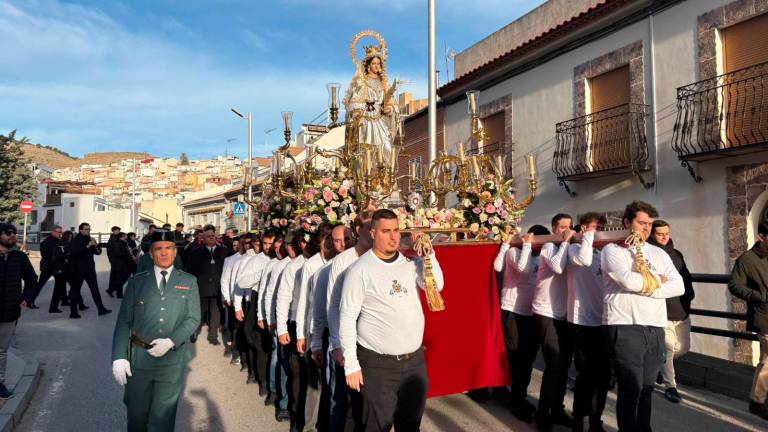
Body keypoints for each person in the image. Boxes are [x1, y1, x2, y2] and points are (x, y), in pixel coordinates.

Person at [339, 209, 443, 431]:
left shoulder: (409, 263)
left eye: (396, 230)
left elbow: (437, 286)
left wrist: (428, 254)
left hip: (414, 361)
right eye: (386, 231)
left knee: (410, 425)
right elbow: (346, 317)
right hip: (378, 365)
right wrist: (351, 364)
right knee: (377, 426)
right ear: (373, 232)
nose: (394, 236)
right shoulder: (359, 270)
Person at [601, 201, 683, 432]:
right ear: (628, 222)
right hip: (625, 324)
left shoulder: (659, 253)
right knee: (630, 387)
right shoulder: (613, 250)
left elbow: (679, 287)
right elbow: (627, 280)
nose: (646, 228)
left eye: (649, 224)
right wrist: (658, 281)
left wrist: (647, 283)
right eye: (641, 223)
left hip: (655, 325)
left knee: (647, 387)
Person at [111, 230, 201, 432]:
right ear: (150, 254)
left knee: (163, 418)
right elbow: (124, 321)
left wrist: (172, 341)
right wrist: (118, 357)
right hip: (139, 359)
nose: (164, 253)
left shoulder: (188, 281)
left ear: (175, 252)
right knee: (136, 415)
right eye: (158, 249)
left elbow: (193, 318)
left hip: (171, 361)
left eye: (168, 248)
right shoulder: (137, 282)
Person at [494, 224, 549, 423]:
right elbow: (523, 271)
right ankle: (510, 397)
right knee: (515, 357)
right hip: (513, 310)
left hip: (532, 312)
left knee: (527, 359)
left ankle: (519, 396)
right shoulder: (514, 253)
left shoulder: (540, 256)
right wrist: (526, 245)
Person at [327, 213, 373, 432]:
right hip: (349, 342)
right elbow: (333, 306)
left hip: (373, 343)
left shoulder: (382, 256)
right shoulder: (342, 262)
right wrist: (337, 345)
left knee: (370, 404)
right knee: (346, 402)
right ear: (358, 230)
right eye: (368, 227)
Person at [565, 212, 610, 432]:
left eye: (600, 227)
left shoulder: (603, 253)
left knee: (603, 376)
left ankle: (595, 420)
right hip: (581, 321)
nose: (598, 230)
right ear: (583, 228)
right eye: (594, 227)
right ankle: (578, 418)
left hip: (603, 321)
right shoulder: (573, 250)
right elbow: (584, 259)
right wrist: (587, 237)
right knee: (585, 375)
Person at [532, 213, 575, 428]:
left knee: (564, 364)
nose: (567, 229)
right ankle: (542, 415)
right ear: (554, 229)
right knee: (554, 364)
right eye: (563, 227)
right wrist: (566, 242)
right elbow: (558, 267)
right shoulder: (549, 247)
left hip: (562, 313)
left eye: (570, 226)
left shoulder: (567, 247)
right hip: (545, 311)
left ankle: (557, 409)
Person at [648, 220, 695, 404]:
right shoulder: (648, 254)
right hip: (662, 311)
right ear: (653, 234)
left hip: (681, 310)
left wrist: (689, 296)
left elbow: (686, 278)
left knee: (682, 348)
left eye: (667, 233)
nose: (664, 236)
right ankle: (670, 386)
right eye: (660, 234)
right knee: (667, 349)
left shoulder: (676, 254)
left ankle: (659, 366)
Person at [729, 221, 768, 420]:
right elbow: (734, 286)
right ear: (761, 236)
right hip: (764, 317)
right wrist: (759, 295)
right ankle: (757, 401)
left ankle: (758, 399)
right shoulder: (747, 260)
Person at [276, 230, 310, 431]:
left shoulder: (322, 263)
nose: (306, 244)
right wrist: (281, 328)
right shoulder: (293, 267)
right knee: (297, 374)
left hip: (314, 326)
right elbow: (283, 297)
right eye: (303, 241)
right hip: (294, 323)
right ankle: (296, 418)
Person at [0, 223, 38, 399]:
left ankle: (0, 383)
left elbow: (32, 278)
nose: (12, 236)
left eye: (14, 233)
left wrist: (27, 298)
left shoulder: (19, 257)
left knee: (1, 350)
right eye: (8, 233)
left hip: (9, 311)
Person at [343, 43, 398, 153]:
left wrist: (389, 109)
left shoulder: (384, 84)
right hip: (365, 122)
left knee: (386, 149)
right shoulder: (361, 82)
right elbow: (354, 101)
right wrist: (358, 112)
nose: (377, 66)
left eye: (378, 63)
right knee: (365, 151)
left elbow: (392, 103)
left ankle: (384, 170)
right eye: (374, 63)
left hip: (380, 122)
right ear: (368, 66)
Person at [184, 226, 227, 345]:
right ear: (203, 239)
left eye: (213, 235)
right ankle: (194, 331)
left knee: (216, 312)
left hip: (217, 287)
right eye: (209, 236)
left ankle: (213, 336)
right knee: (199, 312)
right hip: (201, 287)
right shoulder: (197, 252)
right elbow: (189, 270)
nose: (212, 237)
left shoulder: (223, 251)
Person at [68, 222, 111, 318]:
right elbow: (74, 252)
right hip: (78, 270)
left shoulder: (89, 239)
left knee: (95, 289)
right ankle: (73, 312)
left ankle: (101, 309)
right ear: (81, 230)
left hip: (89, 269)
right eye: (86, 229)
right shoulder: (75, 240)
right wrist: (87, 246)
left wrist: (96, 245)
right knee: (75, 291)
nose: (88, 231)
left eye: (89, 229)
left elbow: (98, 253)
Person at [32, 225, 64, 309]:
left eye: (61, 232)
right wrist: (57, 253)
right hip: (48, 267)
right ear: (53, 232)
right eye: (59, 232)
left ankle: (64, 299)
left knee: (61, 283)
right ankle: (30, 301)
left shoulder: (58, 241)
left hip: (56, 266)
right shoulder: (46, 242)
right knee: (40, 284)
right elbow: (45, 254)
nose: (60, 234)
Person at [50, 230, 74, 312]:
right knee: (58, 290)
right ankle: (53, 308)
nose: (70, 238)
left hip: (64, 270)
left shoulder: (67, 245)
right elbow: (58, 257)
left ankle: (64, 302)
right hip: (60, 270)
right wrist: (67, 256)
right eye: (69, 237)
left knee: (62, 288)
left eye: (71, 237)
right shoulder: (60, 245)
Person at [109, 230, 134, 299]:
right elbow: (118, 254)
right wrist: (128, 252)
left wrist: (129, 251)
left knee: (123, 278)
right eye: (125, 235)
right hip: (119, 264)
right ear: (122, 236)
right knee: (120, 279)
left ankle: (112, 289)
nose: (127, 236)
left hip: (124, 264)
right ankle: (118, 294)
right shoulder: (117, 243)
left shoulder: (124, 242)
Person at [106, 226, 122, 297]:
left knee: (115, 276)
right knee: (117, 276)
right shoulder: (112, 239)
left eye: (118, 230)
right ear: (113, 231)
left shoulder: (118, 237)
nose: (118, 231)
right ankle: (116, 292)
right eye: (116, 230)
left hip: (117, 260)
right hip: (115, 260)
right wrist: (111, 260)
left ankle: (111, 289)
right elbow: (110, 251)